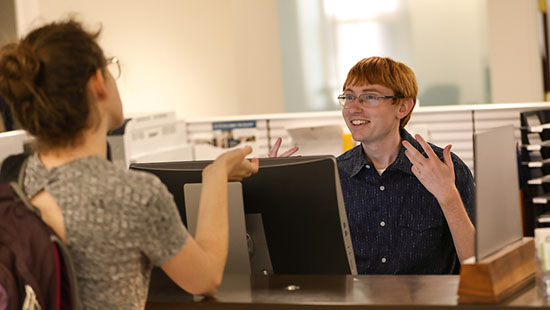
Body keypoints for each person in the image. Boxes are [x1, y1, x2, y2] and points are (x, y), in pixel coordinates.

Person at [0, 19, 259, 309]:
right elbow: (206, 278)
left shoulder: (15, 181)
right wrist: (216, 174)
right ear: (98, 82)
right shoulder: (134, 195)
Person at [271, 56, 474, 274]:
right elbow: (305, 263)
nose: (353, 108)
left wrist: (448, 196)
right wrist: (278, 196)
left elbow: (478, 264)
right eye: (349, 97)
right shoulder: (334, 176)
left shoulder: (445, 169)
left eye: (368, 97)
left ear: (403, 107)